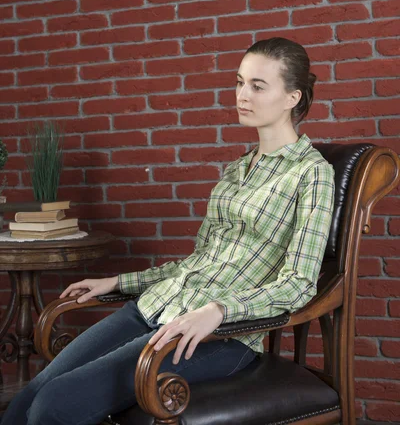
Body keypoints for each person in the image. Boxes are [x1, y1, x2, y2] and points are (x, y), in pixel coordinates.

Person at [2, 37, 335, 425]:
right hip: (156, 306)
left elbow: (298, 284)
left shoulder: (312, 174)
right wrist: (117, 282)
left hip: (217, 335)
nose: (243, 95)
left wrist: (219, 310)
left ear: (292, 97)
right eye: (239, 82)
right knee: (28, 397)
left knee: (53, 406)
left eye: (258, 86)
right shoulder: (238, 169)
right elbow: (197, 263)